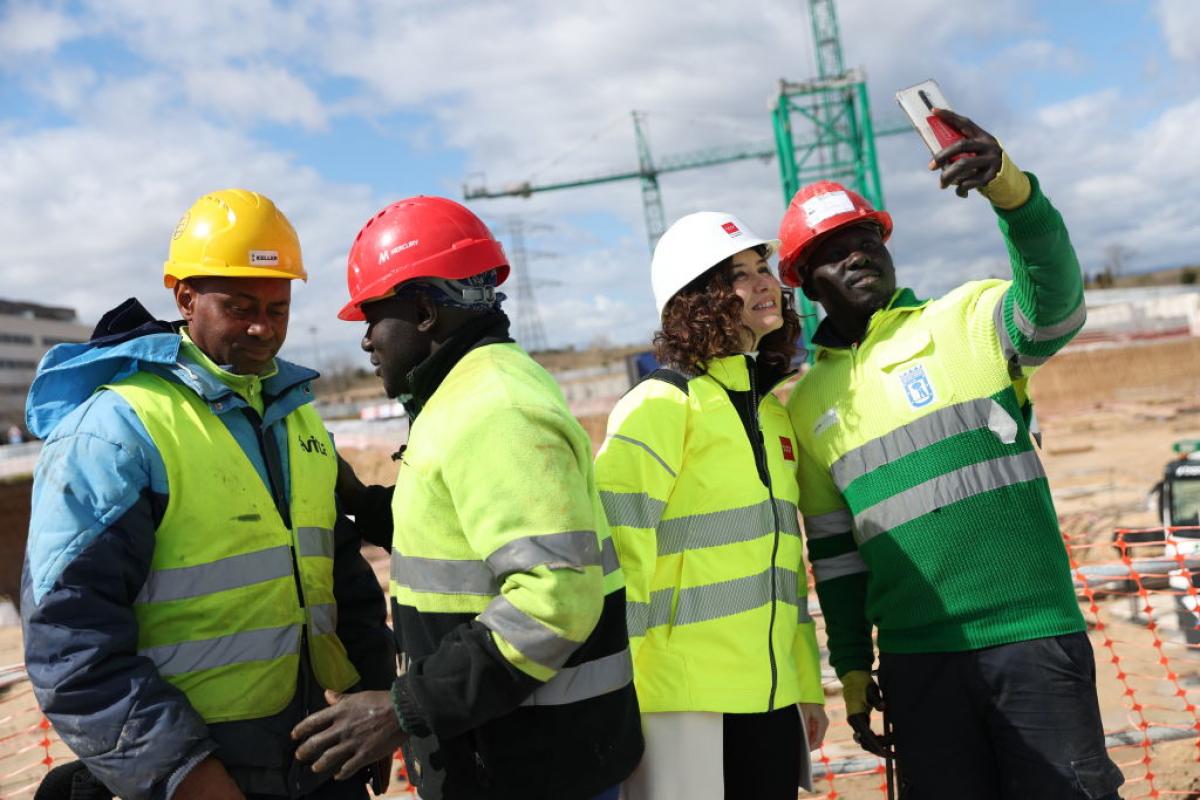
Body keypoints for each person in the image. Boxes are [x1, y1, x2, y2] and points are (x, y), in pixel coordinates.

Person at [780, 109, 1124, 798]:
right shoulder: (808, 406)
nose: (855, 254)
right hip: (916, 663)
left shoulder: (966, 318)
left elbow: (1056, 309)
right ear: (805, 280)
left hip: (1031, 640)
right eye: (833, 248)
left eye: (864, 237)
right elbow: (837, 557)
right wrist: (852, 670)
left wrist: (1011, 191)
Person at [21, 189, 394, 800]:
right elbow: (70, 642)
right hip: (204, 768)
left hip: (323, 756)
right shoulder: (116, 430)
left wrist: (369, 701)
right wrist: (182, 773)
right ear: (185, 297)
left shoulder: (296, 416)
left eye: (278, 308)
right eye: (240, 305)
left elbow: (341, 577)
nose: (262, 327)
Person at [290, 196, 642, 800]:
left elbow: (552, 598)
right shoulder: (465, 393)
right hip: (514, 752)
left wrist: (403, 708)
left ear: (424, 311)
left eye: (373, 316)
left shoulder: (497, 408)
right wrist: (364, 502)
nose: (368, 342)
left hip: (536, 764)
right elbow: (465, 540)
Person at [594, 212, 827, 800]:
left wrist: (804, 683)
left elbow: (783, 570)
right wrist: (616, 699)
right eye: (739, 276)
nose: (764, 283)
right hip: (682, 705)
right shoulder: (659, 406)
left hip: (771, 699)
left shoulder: (772, 413)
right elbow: (618, 561)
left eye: (763, 268)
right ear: (695, 301)